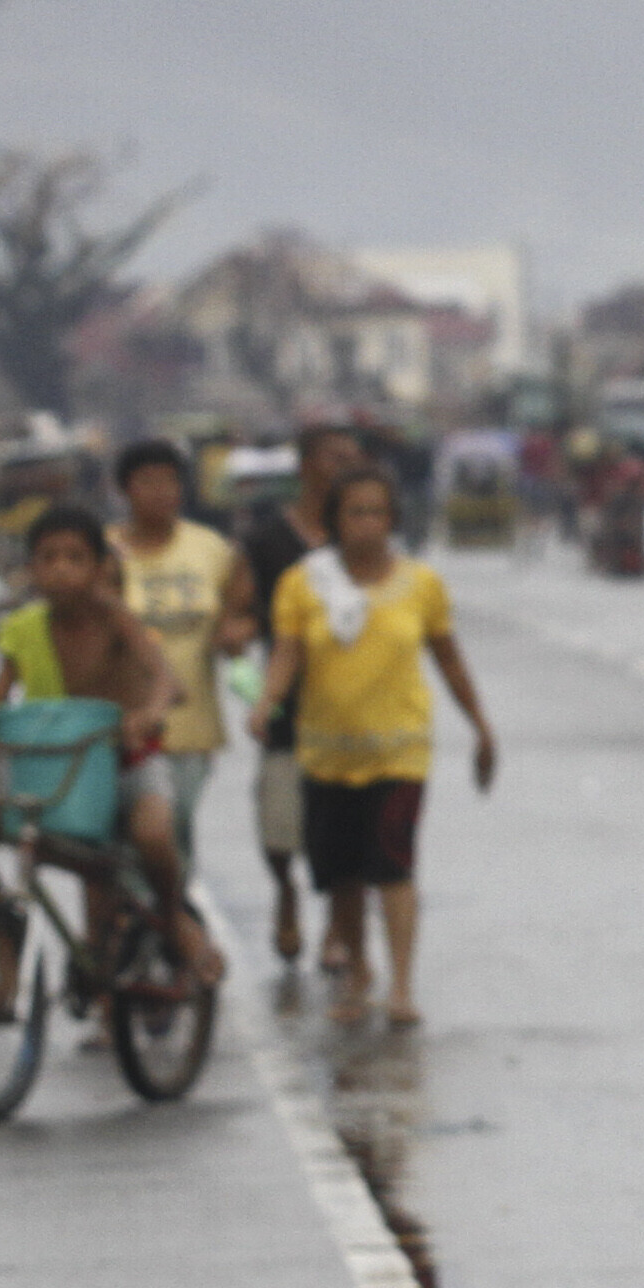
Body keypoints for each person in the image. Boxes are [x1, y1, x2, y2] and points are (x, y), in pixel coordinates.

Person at [256, 463, 497, 1027]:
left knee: (393, 864)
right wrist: (268, 701)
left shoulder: (421, 585)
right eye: (355, 512)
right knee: (341, 873)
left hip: (399, 753)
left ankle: (402, 984)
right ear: (336, 521)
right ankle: (358, 968)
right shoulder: (303, 584)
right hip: (326, 753)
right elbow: (288, 652)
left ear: (393, 519)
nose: (367, 524)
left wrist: (481, 726)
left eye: (378, 512)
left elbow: (449, 659)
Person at [0, 504, 225, 988]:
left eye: (74, 557)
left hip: (126, 763)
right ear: (31, 568)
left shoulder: (116, 619)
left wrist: (149, 712)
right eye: (47, 557)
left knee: (153, 834)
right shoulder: (23, 629)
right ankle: (4, 952)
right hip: (62, 769)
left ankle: (175, 921)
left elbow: (166, 679)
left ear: (99, 568)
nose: (59, 568)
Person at [229, 425, 358, 973]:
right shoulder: (264, 540)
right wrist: (235, 633)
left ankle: (334, 922)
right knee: (280, 826)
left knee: (344, 824)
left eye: (354, 460)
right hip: (286, 704)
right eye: (335, 458)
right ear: (305, 465)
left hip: (353, 706)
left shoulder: (360, 538)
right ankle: (286, 891)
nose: (345, 469)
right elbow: (235, 611)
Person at [111, 441, 242, 864]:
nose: (161, 491)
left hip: (189, 727)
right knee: (125, 843)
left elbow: (240, 611)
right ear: (124, 489)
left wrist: (236, 633)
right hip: (123, 727)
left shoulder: (211, 550)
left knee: (173, 835)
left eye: (170, 481)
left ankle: (172, 920)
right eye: (147, 481)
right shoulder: (104, 552)